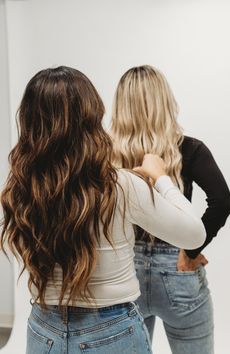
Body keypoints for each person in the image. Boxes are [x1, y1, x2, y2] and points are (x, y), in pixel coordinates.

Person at [0, 66, 206, 354]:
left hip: (43, 329)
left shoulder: (22, 189)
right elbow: (195, 235)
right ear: (91, 116)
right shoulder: (119, 185)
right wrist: (161, 179)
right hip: (111, 333)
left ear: (30, 120)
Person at [110, 65, 230, 354]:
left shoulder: (105, 153)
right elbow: (222, 202)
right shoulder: (190, 149)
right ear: (164, 101)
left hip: (126, 271)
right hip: (178, 271)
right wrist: (189, 251)